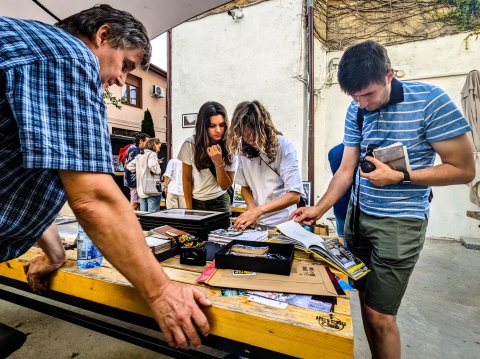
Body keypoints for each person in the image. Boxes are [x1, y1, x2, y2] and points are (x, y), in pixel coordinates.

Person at [0, 5, 211, 353]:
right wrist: (161, 291)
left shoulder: (36, 50)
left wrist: (55, 254)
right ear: (102, 35)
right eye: (126, 65)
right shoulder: (69, 56)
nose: (121, 80)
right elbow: (92, 198)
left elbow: (28, 183)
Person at [291, 40, 474, 358]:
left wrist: (401, 176)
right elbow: (346, 170)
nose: (362, 104)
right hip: (358, 220)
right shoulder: (357, 109)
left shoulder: (430, 102)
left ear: (389, 75)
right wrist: (319, 208)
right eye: (355, 96)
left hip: (400, 225)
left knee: (381, 315)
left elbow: (463, 170)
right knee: (364, 304)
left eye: (368, 95)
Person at [226, 100, 303, 230]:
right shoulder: (243, 150)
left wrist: (257, 211)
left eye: (252, 134)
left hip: (284, 224)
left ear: (263, 128)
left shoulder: (285, 147)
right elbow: (244, 187)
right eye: (244, 135)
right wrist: (251, 207)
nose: (249, 140)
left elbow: (294, 195)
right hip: (258, 223)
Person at [178, 101, 236, 213]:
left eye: (221, 125)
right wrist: (189, 209)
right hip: (196, 202)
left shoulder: (230, 146)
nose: (218, 130)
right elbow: (186, 180)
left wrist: (218, 161)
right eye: (212, 126)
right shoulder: (190, 144)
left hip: (220, 201)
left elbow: (225, 186)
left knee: (223, 231)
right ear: (203, 126)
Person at [127, 138, 163, 212]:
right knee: (153, 216)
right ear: (154, 144)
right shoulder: (152, 154)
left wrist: (139, 170)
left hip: (141, 190)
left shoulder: (140, 156)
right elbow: (151, 165)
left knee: (144, 215)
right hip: (152, 189)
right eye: (158, 144)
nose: (160, 146)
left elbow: (129, 166)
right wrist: (158, 171)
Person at [328, 143, 351, 239]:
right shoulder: (359, 150)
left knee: (343, 240)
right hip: (355, 206)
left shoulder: (333, 151)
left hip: (339, 203)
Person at [124, 133, 150, 210]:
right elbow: (134, 166)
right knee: (134, 204)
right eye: (147, 142)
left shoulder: (133, 148)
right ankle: (128, 221)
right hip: (134, 180)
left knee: (137, 203)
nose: (148, 144)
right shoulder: (134, 150)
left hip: (133, 180)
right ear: (141, 141)